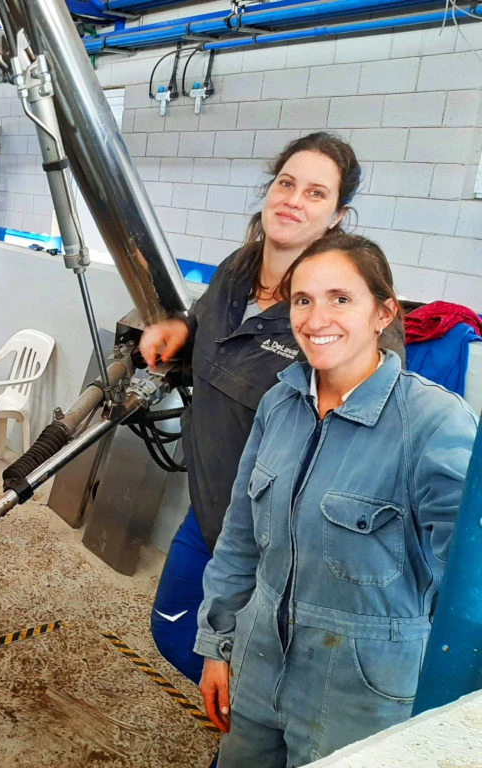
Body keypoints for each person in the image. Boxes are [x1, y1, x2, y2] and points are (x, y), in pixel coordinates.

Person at [195, 233, 478, 766]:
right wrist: (218, 645)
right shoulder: (279, 403)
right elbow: (239, 540)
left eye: (341, 298)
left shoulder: (433, 424)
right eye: (303, 300)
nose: (315, 317)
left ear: (383, 312)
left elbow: (470, 585)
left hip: (361, 693)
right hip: (257, 668)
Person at [141, 132, 403, 685]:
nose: (293, 200)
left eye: (315, 193)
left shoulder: (339, 302)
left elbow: (374, 408)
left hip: (282, 541)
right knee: (174, 631)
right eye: (286, 183)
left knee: (256, 672)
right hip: (213, 511)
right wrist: (179, 328)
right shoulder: (238, 268)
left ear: (337, 215)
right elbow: (204, 317)